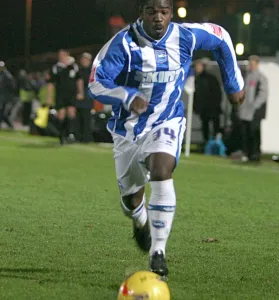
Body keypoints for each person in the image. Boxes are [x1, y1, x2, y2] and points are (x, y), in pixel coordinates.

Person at [88, 0, 244, 278]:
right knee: (132, 198)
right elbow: (96, 82)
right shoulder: (123, 43)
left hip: (167, 120)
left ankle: (157, 252)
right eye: (152, 12)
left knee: (162, 169)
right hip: (128, 130)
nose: (158, 18)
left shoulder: (185, 36)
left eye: (164, 11)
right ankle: (140, 220)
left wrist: (234, 83)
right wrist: (126, 95)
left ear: (171, 13)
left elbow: (221, 37)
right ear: (142, 13)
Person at [47, 49, 84, 144]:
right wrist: (49, 96)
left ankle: (71, 134)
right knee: (61, 115)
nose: (61, 56)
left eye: (63, 55)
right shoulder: (56, 67)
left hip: (71, 95)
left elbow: (79, 80)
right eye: (60, 55)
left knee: (71, 113)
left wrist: (80, 92)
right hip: (60, 95)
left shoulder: (74, 66)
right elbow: (51, 83)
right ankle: (61, 135)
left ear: (67, 55)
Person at [239, 55, 268, 162]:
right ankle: (247, 153)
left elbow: (263, 93)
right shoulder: (247, 76)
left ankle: (255, 153)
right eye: (250, 63)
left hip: (255, 110)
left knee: (254, 132)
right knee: (245, 132)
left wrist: (255, 105)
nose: (251, 66)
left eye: (252, 64)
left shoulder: (261, 77)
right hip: (245, 110)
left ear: (257, 64)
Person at [193, 58, 222, 143]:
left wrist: (215, 105)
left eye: (198, 66)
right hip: (204, 108)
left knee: (214, 126)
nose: (196, 68)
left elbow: (217, 93)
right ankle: (207, 143)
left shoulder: (210, 79)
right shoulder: (197, 79)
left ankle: (215, 144)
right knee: (205, 126)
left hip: (212, 107)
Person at [76, 52, 93, 143]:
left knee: (86, 116)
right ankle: (79, 136)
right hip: (80, 96)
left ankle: (86, 137)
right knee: (79, 116)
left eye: (86, 59)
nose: (84, 61)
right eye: (83, 59)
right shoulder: (78, 70)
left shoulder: (92, 71)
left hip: (87, 96)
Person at [0, 61, 15, 129]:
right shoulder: (1, 74)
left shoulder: (7, 75)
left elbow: (12, 86)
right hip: (2, 96)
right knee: (2, 112)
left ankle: (10, 125)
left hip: (6, 96)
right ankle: (9, 125)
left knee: (2, 112)